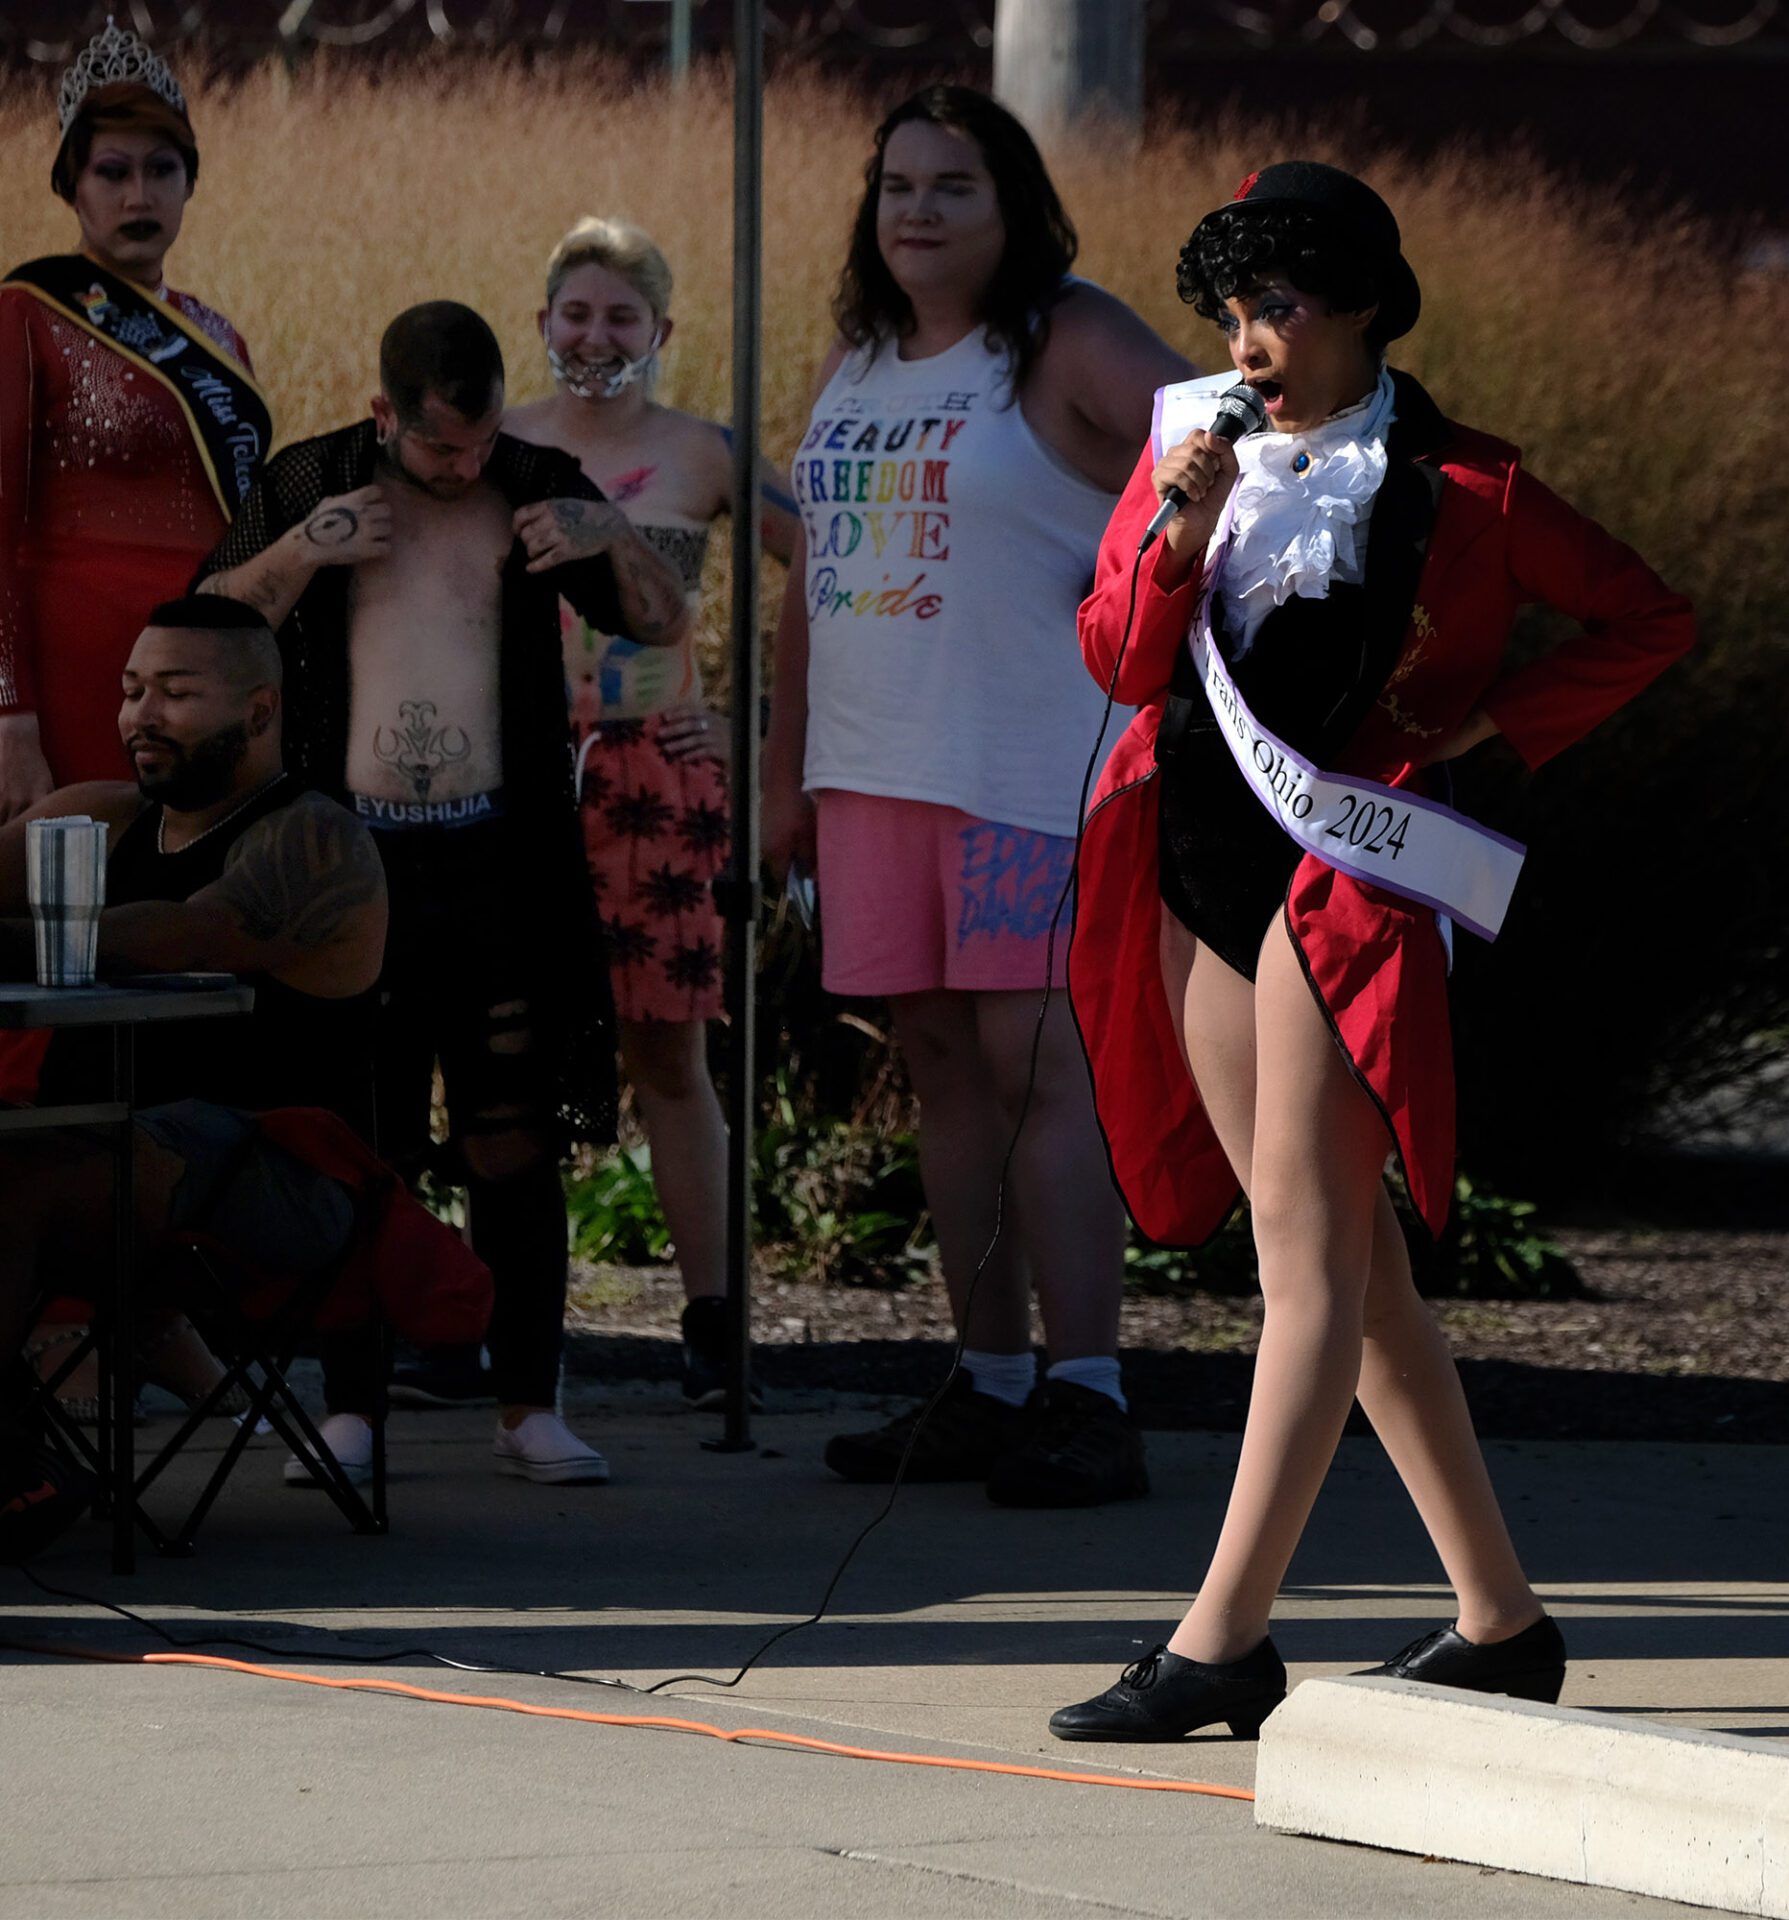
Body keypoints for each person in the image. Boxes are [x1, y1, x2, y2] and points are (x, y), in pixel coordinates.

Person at [1050, 163, 1694, 1739]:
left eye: (1275, 304)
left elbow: (1645, 617)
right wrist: (1176, 534)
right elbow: (1122, 658)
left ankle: (1221, 1639)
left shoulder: (1467, 488)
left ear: (1355, 308)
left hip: (1345, 883)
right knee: (1342, 1261)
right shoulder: (1183, 449)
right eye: (1231, 305)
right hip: (1200, 860)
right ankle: (1500, 1617)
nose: (1246, 335)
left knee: (1312, 1266)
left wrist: (1496, 721)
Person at [762, 86, 1194, 1506]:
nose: (918, 211)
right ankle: (988, 1381)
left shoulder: (1065, 335)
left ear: (1009, 206)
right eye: (897, 186)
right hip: (873, 777)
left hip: (1030, 772)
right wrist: (786, 774)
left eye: (952, 185)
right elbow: (812, 582)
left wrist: (1152, 595)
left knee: (1035, 1072)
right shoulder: (859, 359)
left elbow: (1220, 451)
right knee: (941, 1070)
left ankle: (1088, 1393)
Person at [193, 301, 690, 1488]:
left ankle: (530, 1404)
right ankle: (353, 1409)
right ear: (384, 416)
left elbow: (665, 622)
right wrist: (304, 547)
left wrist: (606, 530)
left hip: (497, 860)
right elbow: (204, 632)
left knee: (510, 1142)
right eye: (437, 450)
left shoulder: (532, 484)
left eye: (474, 445)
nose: (462, 466)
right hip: (350, 865)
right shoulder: (318, 478)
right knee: (352, 1141)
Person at [0, 597, 410, 1559]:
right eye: (133, 690)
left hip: (282, 1181)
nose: (143, 713)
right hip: (113, 1166)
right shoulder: (95, 818)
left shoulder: (315, 843)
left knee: (9, 1176)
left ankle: (10, 1468)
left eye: (177, 693)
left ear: (260, 711)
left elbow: (186, 936)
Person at [506, 217, 799, 1407]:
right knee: (508, 1053)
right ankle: (504, 1319)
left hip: (655, 770)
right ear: (541, 324)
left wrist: (757, 724)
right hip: (521, 769)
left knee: (667, 1052)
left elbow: (826, 563)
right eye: (575, 314)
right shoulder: (503, 442)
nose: (595, 336)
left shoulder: (706, 452)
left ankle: (710, 1315)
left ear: (662, 333)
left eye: (621, 317)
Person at [0, 18, 268, 813]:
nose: (138, 195)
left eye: (162, 169)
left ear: (190, 182)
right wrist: (9, 714)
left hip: (207, 671)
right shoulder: (25, 312)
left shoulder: (219, 337)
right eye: (111, 172)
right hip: (76, 667)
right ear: (70, 187)